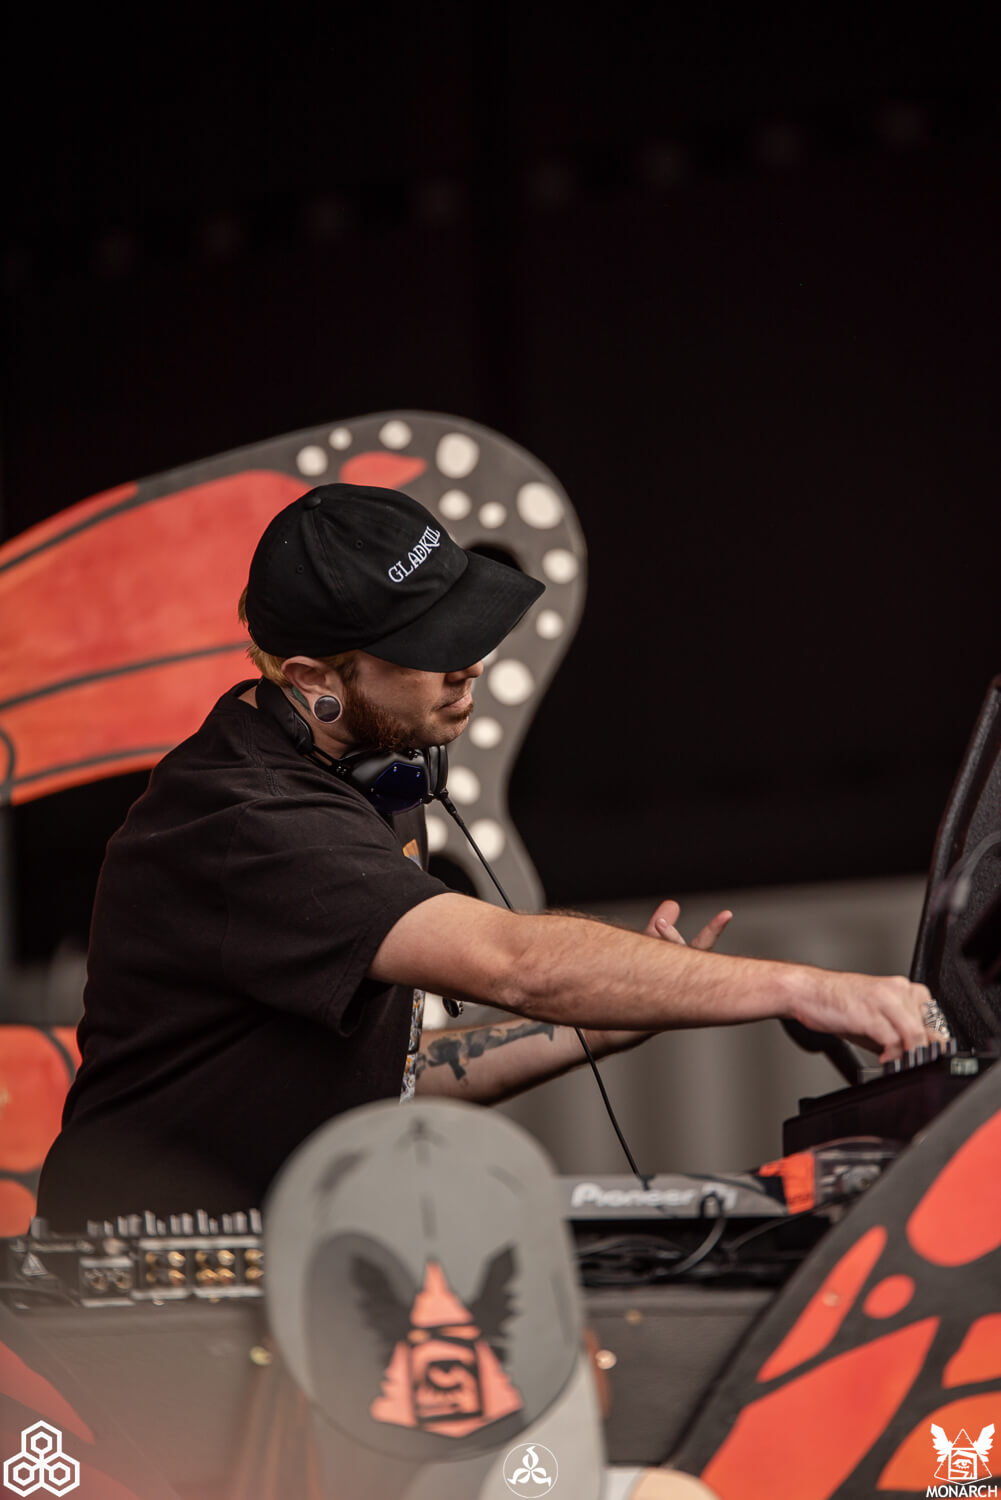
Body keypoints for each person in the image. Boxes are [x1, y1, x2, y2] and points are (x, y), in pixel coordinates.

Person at [37, 483, 938, 1228]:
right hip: (136, 1305)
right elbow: (515, 963)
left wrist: (603, 1021)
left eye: (466, 627)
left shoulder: (361, 777)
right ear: (313, 682)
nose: (468, 662)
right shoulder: (249, 818)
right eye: (428, 649)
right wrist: (803, 986)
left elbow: (391, 1082)